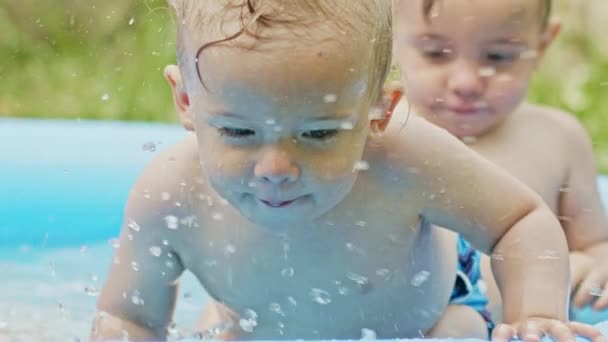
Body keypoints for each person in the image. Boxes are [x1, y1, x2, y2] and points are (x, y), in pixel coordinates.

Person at [91, 1, 604, 341]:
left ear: (379, 110)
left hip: (428, 321)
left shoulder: (408, 155)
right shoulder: (169, 192)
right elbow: (128, 317)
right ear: (186, 100)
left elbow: (517, 221)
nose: (276, 169)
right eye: (239, 133)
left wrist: (534, 315)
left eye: (318, 134)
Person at [392, 0, 608, 323]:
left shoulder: (558, 139)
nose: (465, 83)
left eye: (498, 57)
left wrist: (593, 266)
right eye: (435, 52)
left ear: (542, 45)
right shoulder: (381, 140)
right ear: (387, 42)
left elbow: (595, 242)